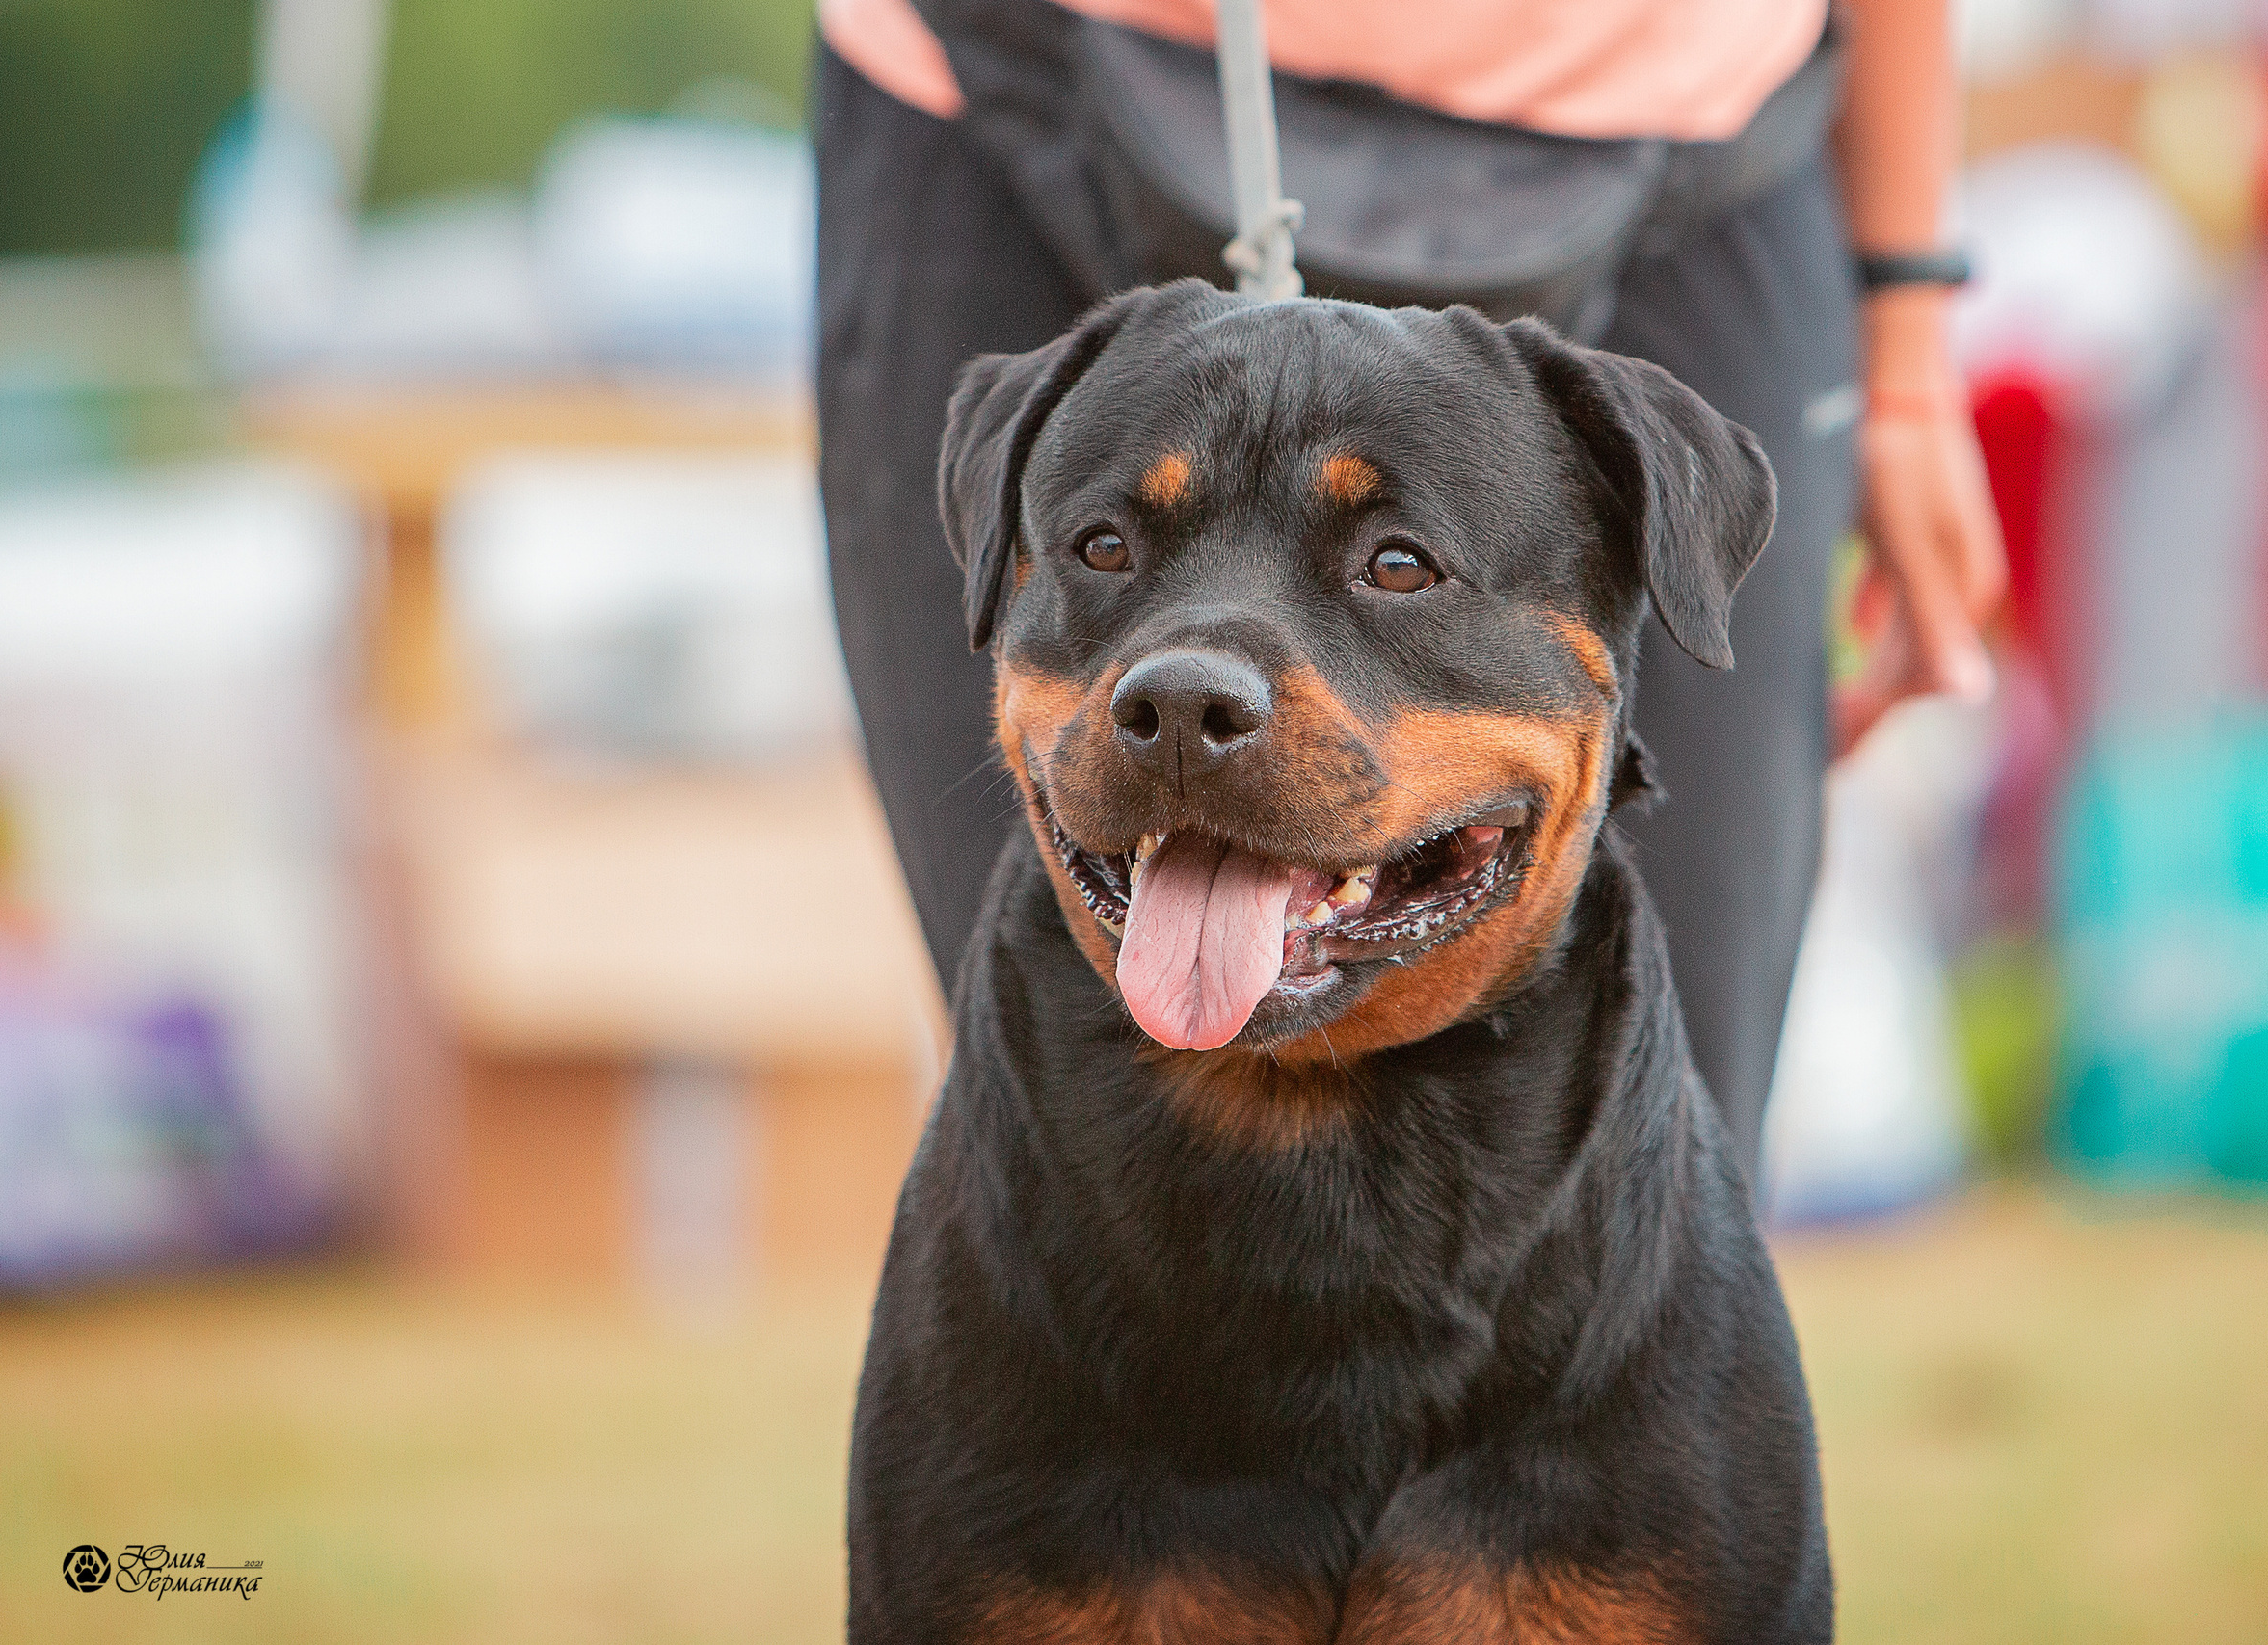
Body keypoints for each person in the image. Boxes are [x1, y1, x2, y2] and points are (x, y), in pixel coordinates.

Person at [814, 0, 2005, 1181]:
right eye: (1105, 551)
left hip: (1692, 119)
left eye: (1396, 567)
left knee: (1670, 1183)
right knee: (1047, 1183)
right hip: (1010, 81)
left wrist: (1902, 350)